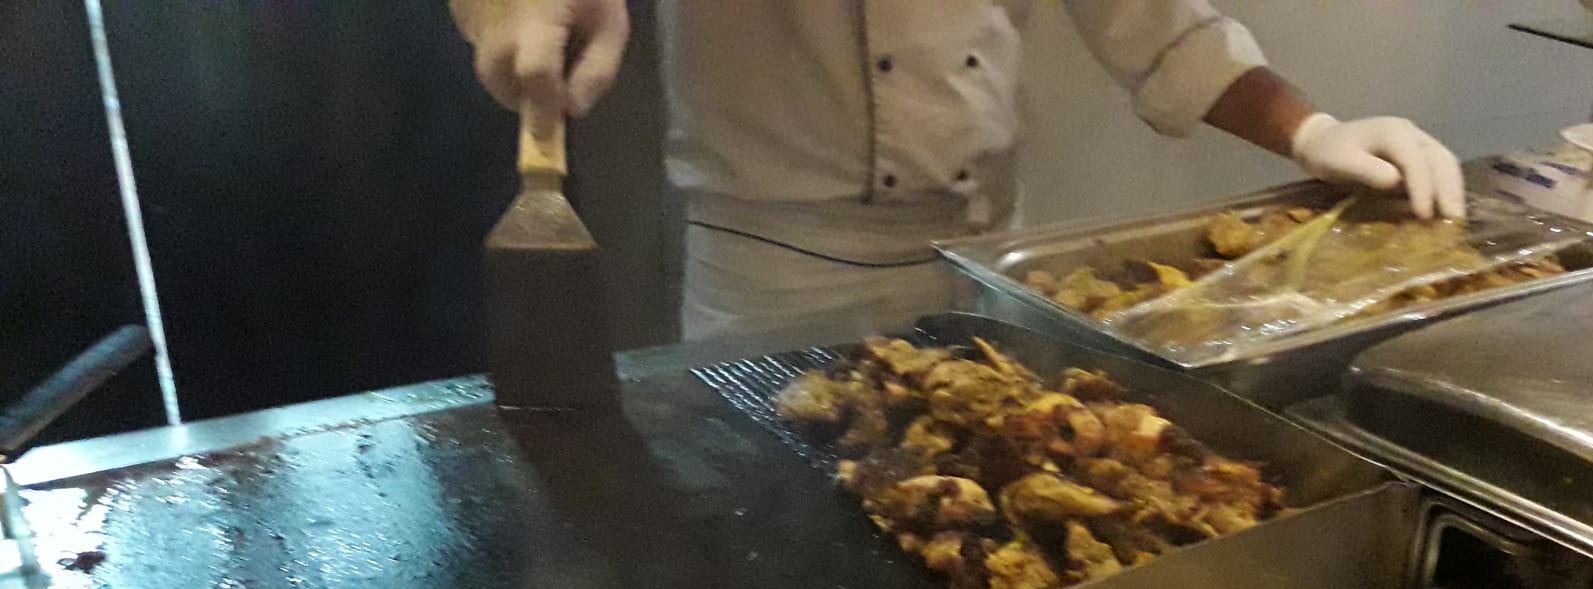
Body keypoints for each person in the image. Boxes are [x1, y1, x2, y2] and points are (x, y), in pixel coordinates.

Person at [451, 1, 1467, 340]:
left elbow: (1157, 26)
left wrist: (1311, 130)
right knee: (784, 566)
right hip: (775, 270)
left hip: (990, 257)